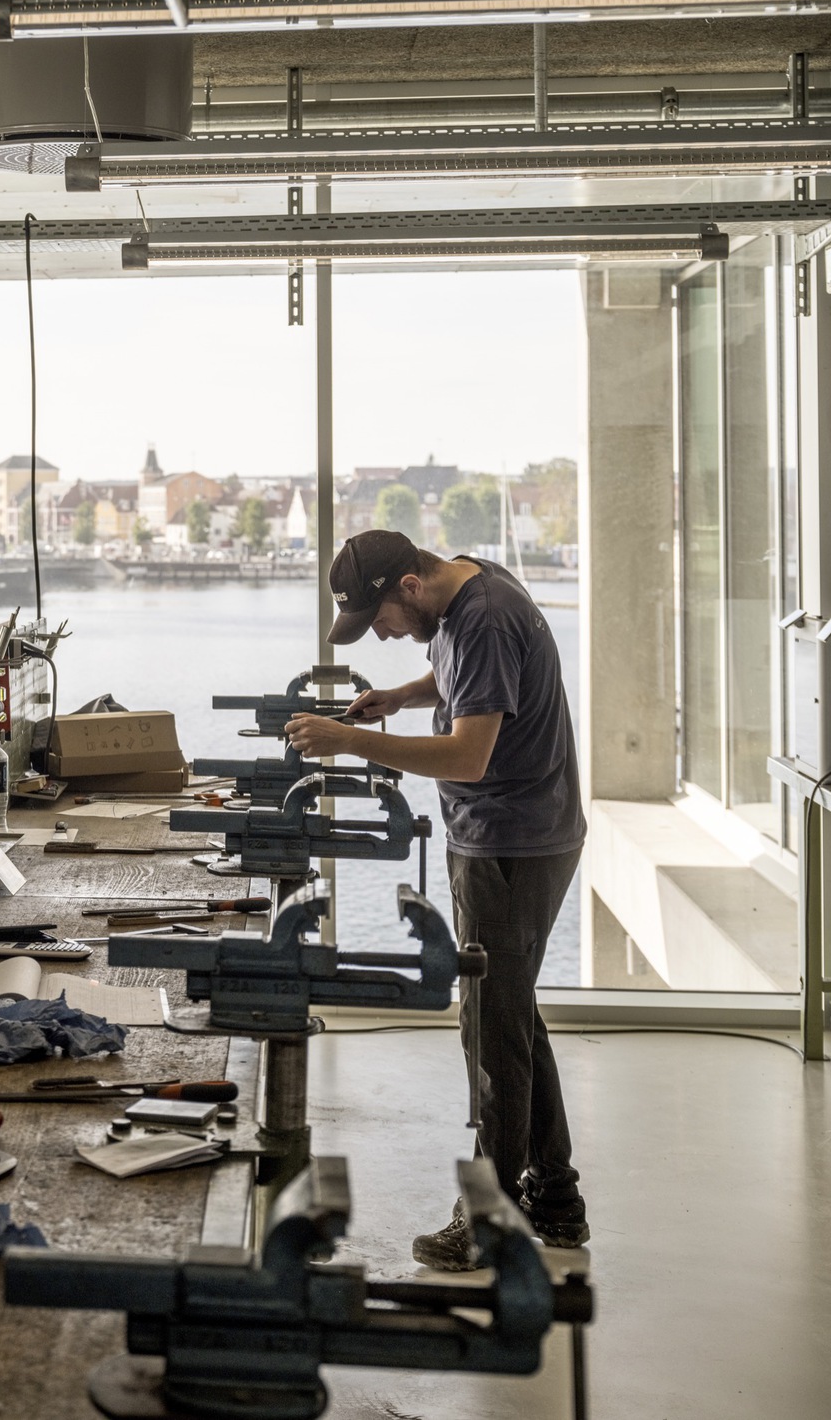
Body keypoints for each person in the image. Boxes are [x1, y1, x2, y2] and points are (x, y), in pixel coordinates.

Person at [282, 528, 588, 1271]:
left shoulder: (480, 615)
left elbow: (467, 755)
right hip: (519, 832)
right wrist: (403, 696)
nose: (383, 635)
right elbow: (473, 679)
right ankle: (554, 1195)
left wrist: (349, 743)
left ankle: (492, 1217)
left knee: (491, 1031)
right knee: (510, 1015)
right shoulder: (473, 584)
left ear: (410, 586)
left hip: (509, 840)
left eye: (381, 618)